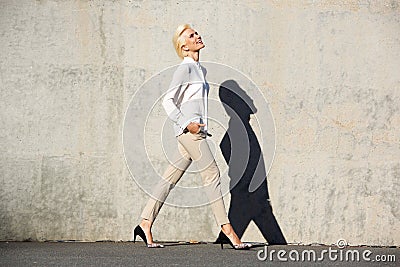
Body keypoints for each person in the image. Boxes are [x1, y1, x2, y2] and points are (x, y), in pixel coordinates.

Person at [133, 24, 251, 250]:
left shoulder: (200, 70)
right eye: (191, 35)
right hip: (190, 134)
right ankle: (227, 229)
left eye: (196, 33)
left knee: (168, 179)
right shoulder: (185, 68)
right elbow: (168, 100)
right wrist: (187, 124)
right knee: (212, 174)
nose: (197, 36)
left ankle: (145, 222)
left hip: (194, 133)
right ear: (183, 46)